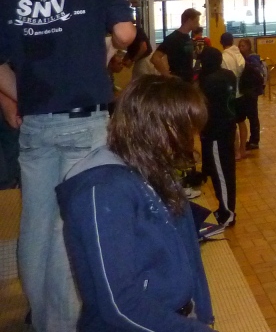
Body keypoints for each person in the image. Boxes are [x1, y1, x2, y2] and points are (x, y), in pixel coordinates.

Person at [0, 0, 136, 332]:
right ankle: (58, 324)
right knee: (68, 225)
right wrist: (116, 43)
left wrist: (25, 97)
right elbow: (125, 33)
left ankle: (40, 315)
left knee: (35, 221)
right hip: (83, 122)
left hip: (36, 124)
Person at [55, 74, 215, 331]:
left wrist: (203, 314)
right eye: (185, 130)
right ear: (156, 128)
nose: (190, 142)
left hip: (176, 319)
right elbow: (120, 304)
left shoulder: (155, 170)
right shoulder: (103, 192)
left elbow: (188, 253)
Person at [197, 46, 237, 228]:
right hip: (227, 128)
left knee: (221, 174)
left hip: (215, 133)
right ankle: (223, 208)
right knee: (223, 171)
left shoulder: (209, 81)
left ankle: (227, 213)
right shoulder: (229, 75)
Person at [152, 8, 202, 82]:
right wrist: (167, 75)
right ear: (189, 21)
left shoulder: (187, 37)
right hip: (178, 80)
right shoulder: (173, 38)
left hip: (188, 79)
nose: (198, 24)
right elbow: (155, 58)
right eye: (196, 21)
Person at [220, 32, 247, 159]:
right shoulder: (239, 54)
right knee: (241, 122)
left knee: (232, 124)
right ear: (233, 41)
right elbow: (241, 69)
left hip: (229, 95)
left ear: (221, 43)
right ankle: (243, 149)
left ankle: (236, 152)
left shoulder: (223, 57)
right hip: (240, 93)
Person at [236, 39, 265, 151]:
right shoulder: (244, 58)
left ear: (248, 46)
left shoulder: (252, 59)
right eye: (240, 46)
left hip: (251, 91)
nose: (241, 48)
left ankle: (254, 140)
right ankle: (253, 140)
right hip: (247, 90)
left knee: (253, 117)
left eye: (243, 46)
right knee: (250, 116)